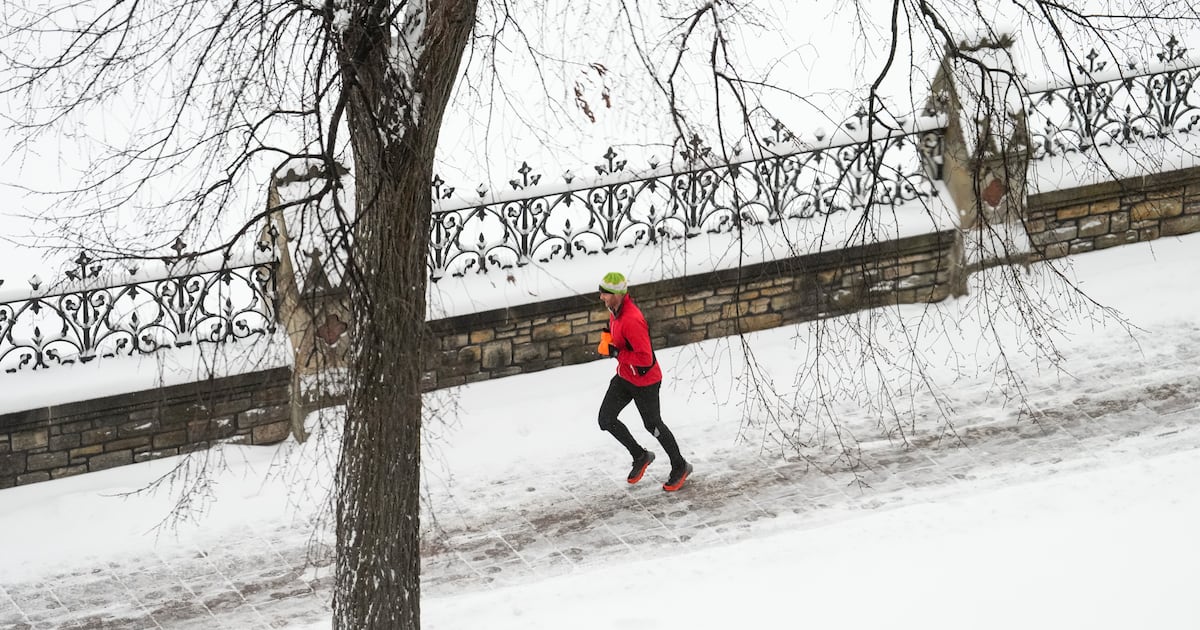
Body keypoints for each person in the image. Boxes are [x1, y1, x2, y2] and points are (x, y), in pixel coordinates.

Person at [595, 271, 692, 492]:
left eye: (606, 294)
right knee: (606, 419)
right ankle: (640, 456)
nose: (601, 297)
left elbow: (645, 358)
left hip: (645, 381)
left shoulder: (632, 319)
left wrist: (617, 353)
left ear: (618, 294)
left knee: (653, 425)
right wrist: (608, 338)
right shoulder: (615, 312)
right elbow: (621, 341)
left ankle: (680, 465)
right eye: (600, 292)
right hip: (625, 376)